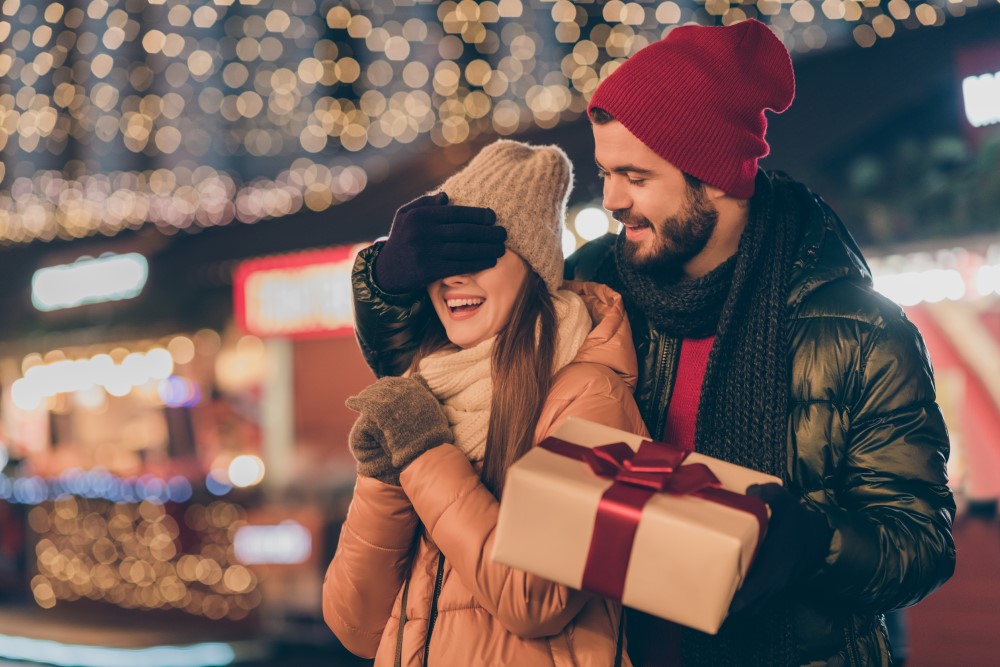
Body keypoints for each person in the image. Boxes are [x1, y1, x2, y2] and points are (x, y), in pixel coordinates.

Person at [345, 19, 956, 667]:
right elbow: (446, 363)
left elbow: (920, 541)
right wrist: (386, 281)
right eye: (607, 172)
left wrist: (807, 541)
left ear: (714, 175)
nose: (610, 199)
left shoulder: (858, 329)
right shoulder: (594, 284)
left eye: (635, 176)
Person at [323, 140, 648, 666]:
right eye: (441, 259)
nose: (453, 276)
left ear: (534, 266)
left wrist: (424, 455)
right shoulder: (425, 388)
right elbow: (355, 625)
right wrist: (385, 478)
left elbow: (536, 599)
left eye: (479, 255)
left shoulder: (591, 394)